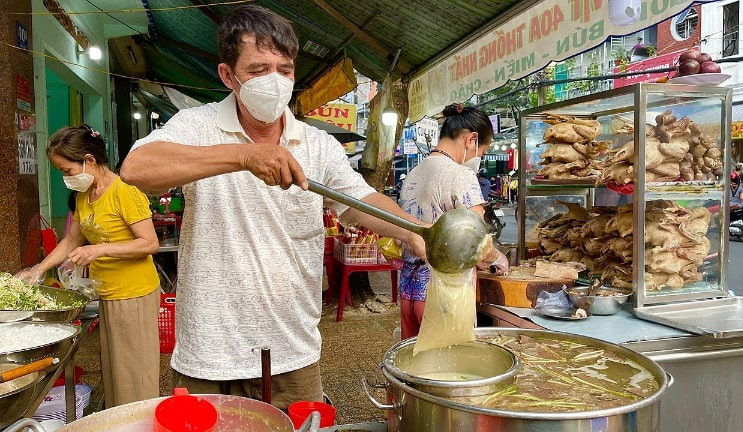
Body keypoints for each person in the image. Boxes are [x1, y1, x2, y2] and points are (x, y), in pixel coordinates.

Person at [118, 5, 426, 409]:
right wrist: (243, 156)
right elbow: (137, 168)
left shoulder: (316, 144)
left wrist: (418, 232)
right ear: (228, 75)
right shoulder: (196, 126)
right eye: (258, 69)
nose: (275, 82)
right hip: (210, 350)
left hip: (290, 348)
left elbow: (359, 201)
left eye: (285, 69)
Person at [15, 124, 161, 408]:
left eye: (67, 170)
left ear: (89, 161)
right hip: (108, 292)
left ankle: (141, 422)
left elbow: (149, 243)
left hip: (133, 294)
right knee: (115, 369)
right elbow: (71, 240)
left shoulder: (125, 192)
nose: (65, 178)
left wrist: (99, 249)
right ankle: (121, 421)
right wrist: (39, 269)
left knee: (135, 372)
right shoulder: (85, 195)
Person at [397, 103, 509, 340]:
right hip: (444, 297)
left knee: (416, 370)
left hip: (408, 293)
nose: (478, 159)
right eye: (482, 153)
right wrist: (498, 259)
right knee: (448, 371)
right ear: (471, 139)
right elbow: (476, 241)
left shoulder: (414, 174)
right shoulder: (460, 175)